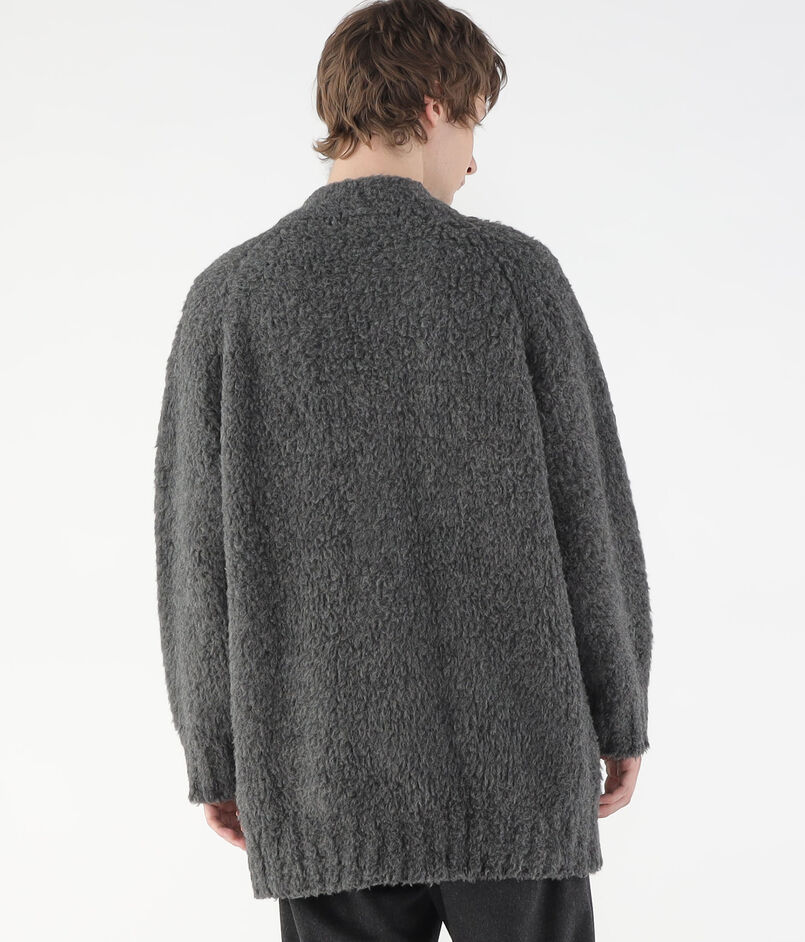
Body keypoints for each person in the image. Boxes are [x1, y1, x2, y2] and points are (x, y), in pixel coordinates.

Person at [153, 1, 654, 939]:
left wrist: (215, 752)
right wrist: (618, 709)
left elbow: (195, 557)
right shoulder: (513, 274)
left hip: (321, 770)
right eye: (472, 126)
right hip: (518, 762)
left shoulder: (230, 296)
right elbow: (588, 512)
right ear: (432, 107)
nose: (472, 162)